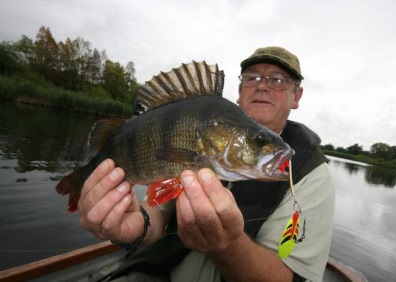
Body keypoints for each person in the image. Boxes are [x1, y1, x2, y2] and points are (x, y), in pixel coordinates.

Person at [78, 46, 335, 282]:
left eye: (278, 80)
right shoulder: (207, 145)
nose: (262, 86)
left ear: (297, 95)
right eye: (252, 77)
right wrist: (132, 227)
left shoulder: (309, 173)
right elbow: (158, 210)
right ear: (239, 90)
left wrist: (229, 245)